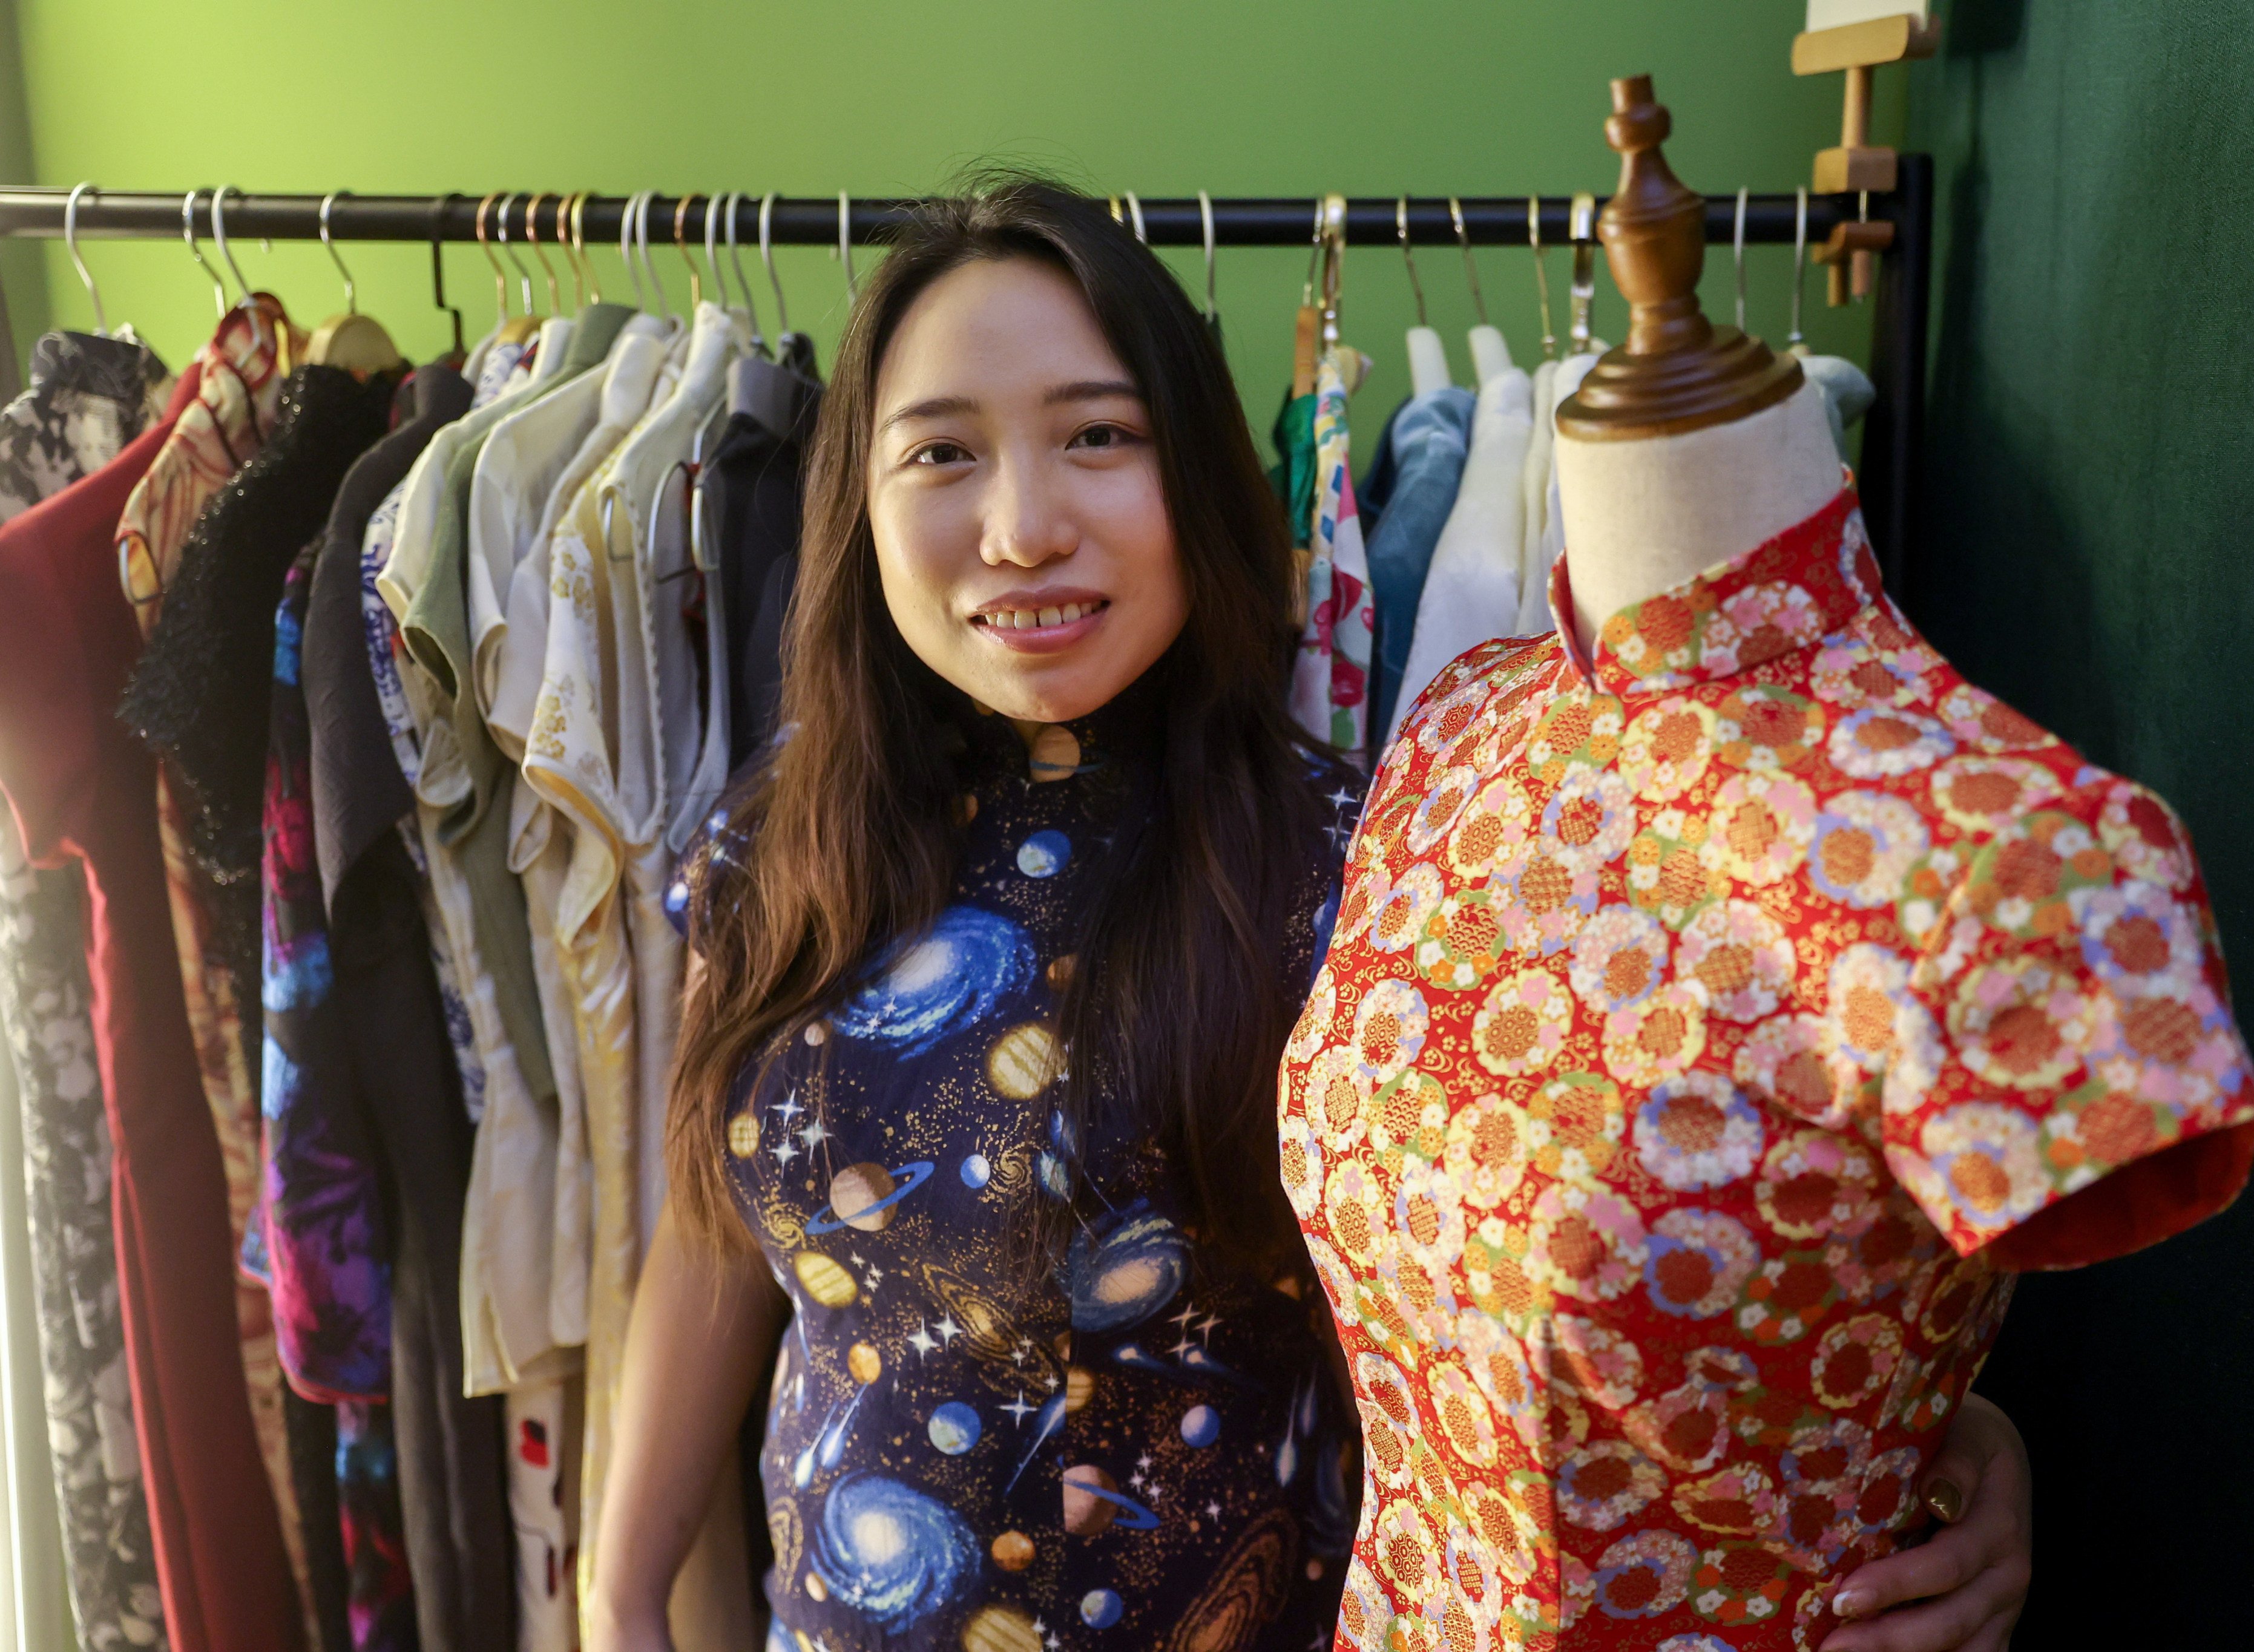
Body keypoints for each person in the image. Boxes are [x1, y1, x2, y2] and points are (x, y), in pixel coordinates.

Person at [584, 177, 2033, 1652]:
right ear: (862, 506)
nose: (1021, 528)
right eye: (943, 453)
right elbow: (716, 1244)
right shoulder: (776, 848)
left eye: (1097, 437)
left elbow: (1555, 1256)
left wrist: (1947, 1427)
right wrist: (620, 1589)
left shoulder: (1378, 854)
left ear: (1199, 477)